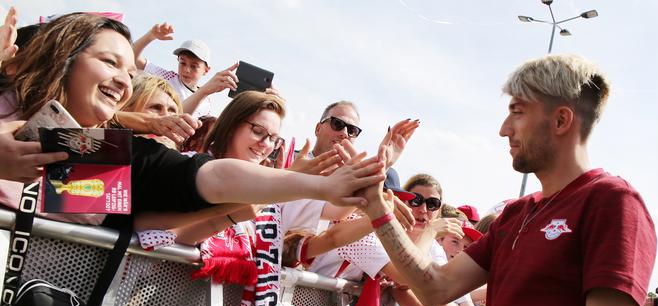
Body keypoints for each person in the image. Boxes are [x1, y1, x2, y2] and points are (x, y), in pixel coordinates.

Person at [355, 54, 657, 306]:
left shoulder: (612, 203)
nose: (503, 129)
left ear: (561, 120)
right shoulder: (516, 214)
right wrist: (377, 204)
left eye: (517, 112)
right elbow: (434, 286)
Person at [0, 13, 383, 227]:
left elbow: (211, 177)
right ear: (61, 56)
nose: (123, 80)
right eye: (109, 62)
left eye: (129, 70)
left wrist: (320, 187)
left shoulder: (101, 159)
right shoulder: (8, 109)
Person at [133, 23, 238, 116]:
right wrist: (150, 36)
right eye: (182, 63)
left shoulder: (206, 101)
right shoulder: (167, 77)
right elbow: (133, 58)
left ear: (206, 70)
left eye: (194, 66)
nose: (186, 70)